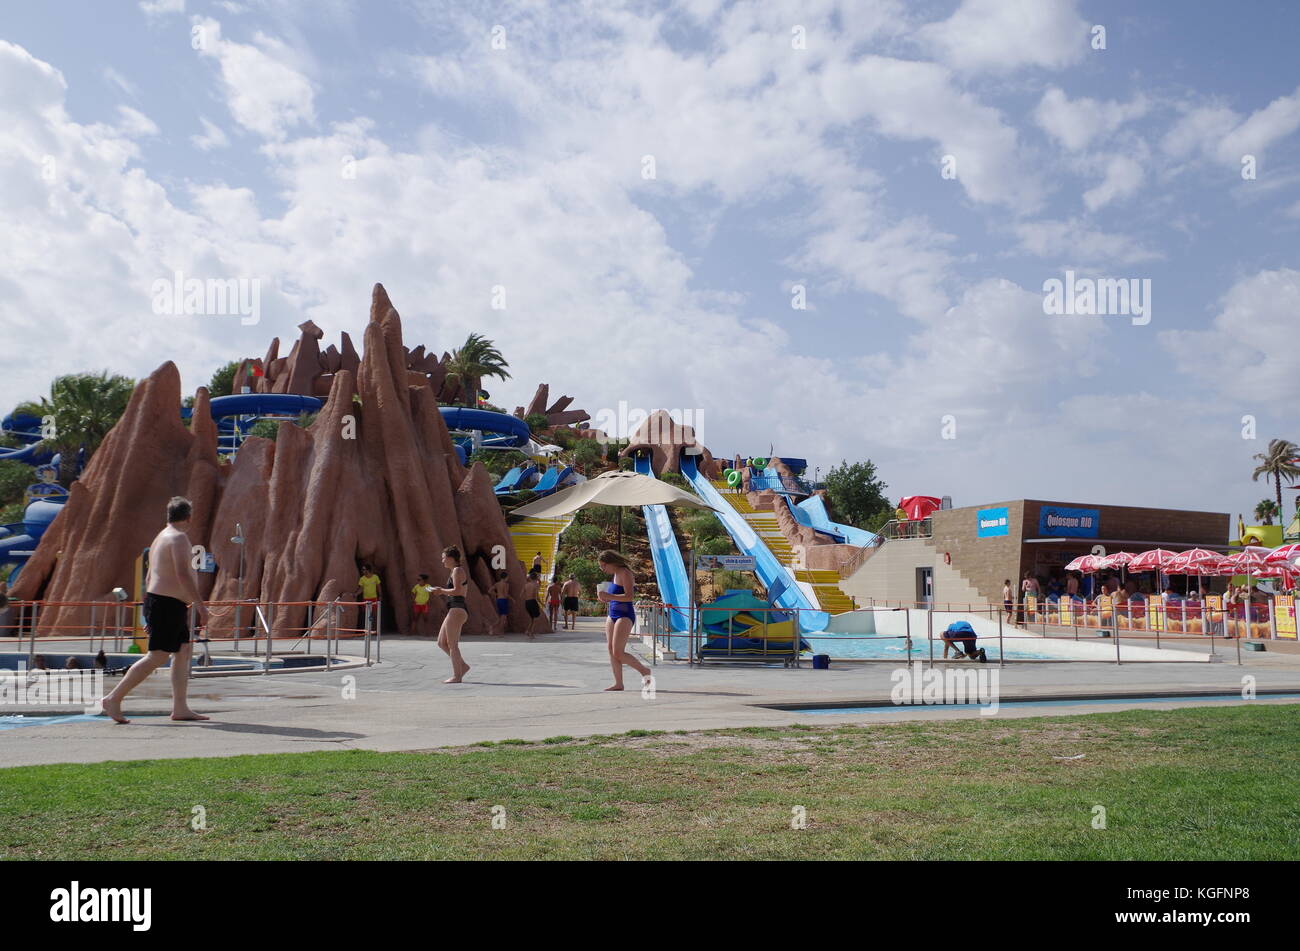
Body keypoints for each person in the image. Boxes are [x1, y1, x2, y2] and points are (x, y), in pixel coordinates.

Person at [97, 496, 210, 724]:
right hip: (166, 604)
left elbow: (150, 576)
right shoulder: (178, 538)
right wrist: (199, 604)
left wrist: (150, 609)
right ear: (188, 517)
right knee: (157, 656)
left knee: (183, 651)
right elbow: (182, 574)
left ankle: (180, 707)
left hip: (166, 604)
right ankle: (113, 698)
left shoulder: (161, 537)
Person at [596, 550, 652, 692]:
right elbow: (614, 596)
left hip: (624, 614)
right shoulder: (614, 574)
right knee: (610, 649)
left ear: (611, 562)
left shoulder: (624, 573)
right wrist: (605, 597)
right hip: (612, 613)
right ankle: (618, 683)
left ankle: (644, 671)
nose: (603, 569)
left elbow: (629, 596)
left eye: (604, 565)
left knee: (618, 652)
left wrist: (609, 595)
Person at [427, 547, 470, 683]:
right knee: (441, 642)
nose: (442, 561)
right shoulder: (454, 571)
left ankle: (457, 676)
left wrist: (441, 591)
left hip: (457, 609)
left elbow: (458, 591)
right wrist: (440, 591)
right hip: (454, 609)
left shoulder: (457, 570)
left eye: (444, 557)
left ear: (451, 558)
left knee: (452, 644)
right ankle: (462, 666)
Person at [522, 569, 544, 639]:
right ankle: (531, 633)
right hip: (533, 602)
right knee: (536, 618)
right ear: (536, 578)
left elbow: (521, 595)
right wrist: (542, 603)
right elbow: (537, 596)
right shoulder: (536, 585)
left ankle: (527, 631)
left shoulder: (526, 585)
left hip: (527, 602)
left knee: (532, 618)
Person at [490, 569, 510, 636]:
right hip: (503, 600)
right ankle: (500, 632)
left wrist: (496, 594)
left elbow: (489, 591)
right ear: (505, 577)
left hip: (498, 600)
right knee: (503, 617)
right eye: (507, 577)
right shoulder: (506, 584)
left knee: (501, 617)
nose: (508, 579)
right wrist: (512, 599)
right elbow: (506, 595)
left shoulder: (497, 584)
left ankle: (492, 627)